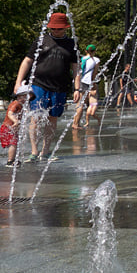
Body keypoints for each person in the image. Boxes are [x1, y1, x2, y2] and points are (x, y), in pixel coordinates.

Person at [14, 11, 79, 162]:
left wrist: (77, 89)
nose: (56, 31)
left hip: (60, 87)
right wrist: (18, 82)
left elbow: (75, 68)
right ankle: (34, 152)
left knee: (52, 119)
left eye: (59, 29)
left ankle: (46, 151)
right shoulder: (41, 40)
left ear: (65, 28)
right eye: (53, 28)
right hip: (39, 84)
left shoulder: (71, 44)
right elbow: (27, 61)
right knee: (35, 117)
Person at [72, 44, 100, 128]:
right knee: (81, 103)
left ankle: (75, 122)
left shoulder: (81, 59)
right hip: (87, 82)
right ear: (94, 51)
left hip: (79, 82)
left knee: (79, 103)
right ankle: (76, 124)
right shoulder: (96, 60)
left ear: (86, 51)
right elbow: (94, 74)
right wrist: (94, 84)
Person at [0, 87, 26, 166]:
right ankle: (10, 161)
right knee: (13, 144)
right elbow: (10, 114)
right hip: (8, 127)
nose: (25, 99)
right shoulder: (16, 103)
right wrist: (16, 121)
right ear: (18, 96)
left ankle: (13, 159)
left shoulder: (20, 104)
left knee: (14, 143)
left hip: (11, 128)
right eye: (23, 96)